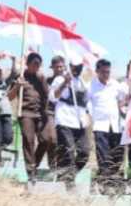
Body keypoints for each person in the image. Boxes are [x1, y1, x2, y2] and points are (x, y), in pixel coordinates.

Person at [8, 52, 49, 183]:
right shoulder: (20, 76)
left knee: (45, 139)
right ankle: (30, 172)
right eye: (34, 64)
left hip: (39, 113)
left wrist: (46, 112)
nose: (36, 67)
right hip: (25, 113)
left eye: (38, 64)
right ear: (27, 64)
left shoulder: (41, 78)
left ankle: (34, 165)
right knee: (28, 140)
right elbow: (10, 96)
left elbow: (47, 96)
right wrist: (17, 86)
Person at [49, 56, 90, 185]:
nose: (77, 70)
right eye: (75, 67)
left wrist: (88, 116)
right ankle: (68, 182)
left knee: (84, 152)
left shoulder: (83, 82)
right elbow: (53, 97)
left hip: (79, 122)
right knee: (68, 152)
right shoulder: (60, 79)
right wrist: (65, 82)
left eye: (79, 67)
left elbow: (87, 103)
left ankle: (68, 175)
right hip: (65, 121)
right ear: (70, 66)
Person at [87, 59, 125, 176]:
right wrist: (91, 118)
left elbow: (122, 99)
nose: (106, 74)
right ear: (97, 71)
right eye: (103, 72)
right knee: (103, 154)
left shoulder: (115, 85)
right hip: (100, 125)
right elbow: (87, 104)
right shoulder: (91, 86)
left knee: (118, 153)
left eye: (108, 72)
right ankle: (105, 178)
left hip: (115, 125)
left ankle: (115, 176)